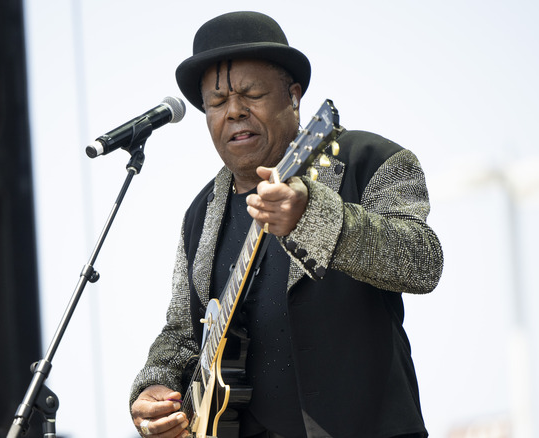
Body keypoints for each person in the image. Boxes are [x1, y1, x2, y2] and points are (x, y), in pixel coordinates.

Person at [129, 11, 443, 438]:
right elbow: (183, 332)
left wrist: (313, 217)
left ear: (293, 96)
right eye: (217, 103)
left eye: (252, 94)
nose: (235, 111)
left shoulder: (369, 160)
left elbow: (421, 263)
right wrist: (156, 388)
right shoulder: (200, 215)